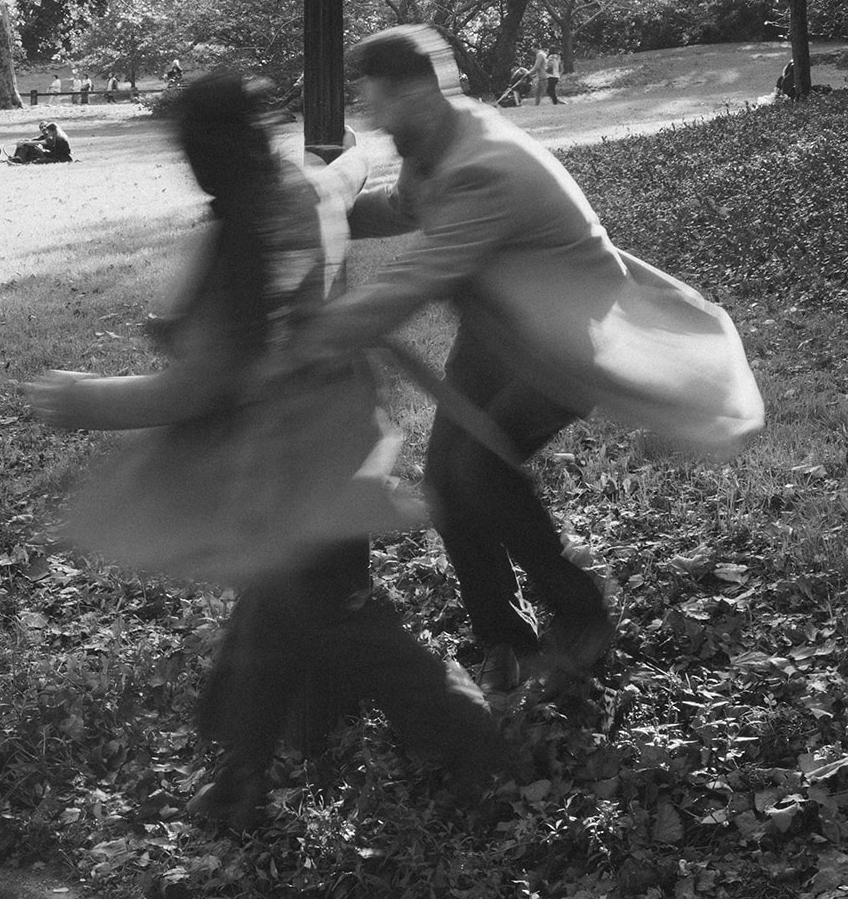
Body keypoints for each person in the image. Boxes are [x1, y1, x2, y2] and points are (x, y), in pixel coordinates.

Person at [27, 74, 506, 832]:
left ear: (200, 155)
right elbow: (340, 176)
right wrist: (347, 153)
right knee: (279, 609)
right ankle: (240, 776)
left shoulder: (238, 236)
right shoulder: (298, 185)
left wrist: (86, 399)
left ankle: (478, 747)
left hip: (288, 461)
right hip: (338, 427)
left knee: (337, 614)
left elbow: (199, 386)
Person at [291, 26, 760, 703]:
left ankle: (581, 614)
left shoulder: (485, 166)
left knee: (479, 469)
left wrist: (309, 338)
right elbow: (399, 209)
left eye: (376, 99)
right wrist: (318, 217)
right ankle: (505, 641)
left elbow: (415, 278)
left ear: (418, 91)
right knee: (450, 483)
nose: (371, 117)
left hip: (569, 343)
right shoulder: (438, 142)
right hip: (500, 333)